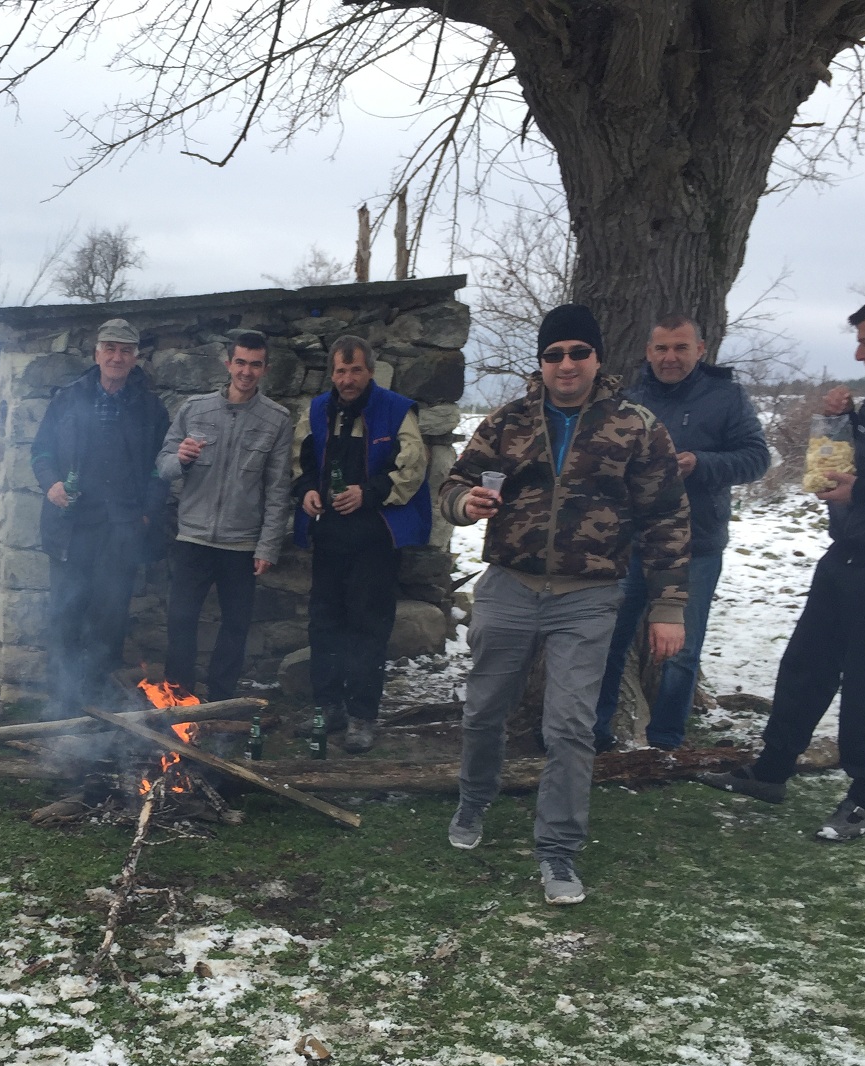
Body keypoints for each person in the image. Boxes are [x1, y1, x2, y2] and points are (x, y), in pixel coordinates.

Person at [439, 304, 689, 904]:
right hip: (509, 587)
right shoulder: (508, 421)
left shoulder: (636, 426)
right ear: (541, 363)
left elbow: (667, 517)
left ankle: (558, 850)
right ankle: (474, 800)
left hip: (589, 598)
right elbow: (454, 482)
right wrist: (464, 504)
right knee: (484, 711)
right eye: (554, 355)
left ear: (598, 359)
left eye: (579, 352)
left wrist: (669, 606)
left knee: (570, 727)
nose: (566, 364)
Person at [701, 290, 865, 841]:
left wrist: (862, 493)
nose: (860, 354)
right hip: (849, 547)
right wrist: (837, 422)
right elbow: (851, 464)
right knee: (805, 663)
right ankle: (771, 771)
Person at [592, 315, 770, 751]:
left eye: (680, 348)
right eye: (661, 348)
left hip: (696, 544)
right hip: (632, 542)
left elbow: (757, 458)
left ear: (700, 350)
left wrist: (701, 463)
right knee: (608, 640)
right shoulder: (628, 399)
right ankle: (595, 733)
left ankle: (666, 743)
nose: (670, 357)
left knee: (681, 651)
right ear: (648, 352)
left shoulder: (726, 397)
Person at [292, 335, 429, 753]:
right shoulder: (317, 410)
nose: (347, 379)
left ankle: (362, 716)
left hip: (375, 539)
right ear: (331, 373)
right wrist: (306, 491)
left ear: (370, 371)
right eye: (340, 371)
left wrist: (367, 493)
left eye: (355, 371)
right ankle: (327, 707)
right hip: (329, 537)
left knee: (369, 627)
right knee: (324, 624)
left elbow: (413, 468)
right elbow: (301, 461)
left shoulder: (395, 410)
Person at [32, 318, 169, 715]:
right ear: (96, 353)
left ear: (135, 357)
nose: (116, 357)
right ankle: (62, 705)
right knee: (65, 615)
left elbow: (161, 467)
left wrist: (147, 514)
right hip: (71, 527)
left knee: (110, 618)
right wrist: (51, 484)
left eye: (125, 350)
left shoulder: (149, 407)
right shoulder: (68, 399)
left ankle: (98, 704)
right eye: (109, 348)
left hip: (121, 531)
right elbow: (40, 451)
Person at [154, 331, 293, 700]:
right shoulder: (195, 409)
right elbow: (162, 465)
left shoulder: (276, 419)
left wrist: (268, 546)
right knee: (181, 620)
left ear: (265, 369)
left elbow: (278, 488)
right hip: (193, 538)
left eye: (255, 365)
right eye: (240, 362)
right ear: (228, 363)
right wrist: (180, 460)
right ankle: (178, 699)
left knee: (235, 626)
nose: (246, 372)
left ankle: (220, 701)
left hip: (242, 544)